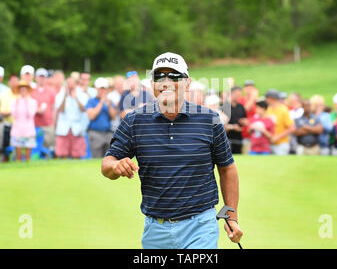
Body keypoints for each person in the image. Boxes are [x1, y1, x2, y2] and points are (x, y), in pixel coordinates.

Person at [102, 52, 242, 249]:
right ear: (152, 84)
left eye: (174, 77)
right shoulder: (135, 121)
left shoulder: (209, 120)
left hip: (200, 226)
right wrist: (116, 165)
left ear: (188, 83)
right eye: (160, 76)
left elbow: (227, 169)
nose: (166, 82)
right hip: (155, 230)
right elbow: (107, 164)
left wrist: (231, 216)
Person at [54, 76, 89, 159]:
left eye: (72, 84)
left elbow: (84, 109)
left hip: (77, 128)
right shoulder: (60, 95)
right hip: (63, 128)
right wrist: (65, 97)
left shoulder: (82, 95)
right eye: (68, 84)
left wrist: (76, 98)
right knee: (63, 154)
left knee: (77, 154)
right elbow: (61, 110)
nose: (70, 86)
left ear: (76, 84)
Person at [85, 78, 116, 158]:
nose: (103, 91)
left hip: (108, 133)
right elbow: (91, 116)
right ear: (96, 89)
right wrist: (101, 102)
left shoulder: (109, 101)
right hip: (95, 133)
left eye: (104, 89)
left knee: (108, 158)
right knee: (96, 159)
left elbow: (113, 117)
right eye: (101, 89)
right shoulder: (91, 101)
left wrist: (109, 105)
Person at [10, 81, 38, 161]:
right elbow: (14, 115)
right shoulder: (14, 102)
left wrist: (26, 103)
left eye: (25, 90)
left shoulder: (32, 102)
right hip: (17, 129)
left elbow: (30, 115)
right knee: (18, 154)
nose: (23, 92)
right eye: (21, 90)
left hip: (28, 129)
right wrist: (18, 104)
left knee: (28, 155)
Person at [31, 68, 56, 153]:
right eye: (40, 77)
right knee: (35, 149)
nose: (41, 79)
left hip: (48, 125)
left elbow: (54, 108)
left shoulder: (51, 91)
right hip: (34, 125)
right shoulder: (31, 91)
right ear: (36, 78)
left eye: (43, 77)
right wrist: (37, 110)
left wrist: (53, 123)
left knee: (47, 148)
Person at [265, 89, 295, 155]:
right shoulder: (268, 109)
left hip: (281, 144)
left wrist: (277, 137)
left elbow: (291, 128)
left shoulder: (283, 110)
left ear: (271, 98)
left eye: (267, 97)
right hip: (270, 143)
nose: (266, 99)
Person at [0, 74, 20, 161]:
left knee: (19, 147)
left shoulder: (22, 94)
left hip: (20, 126)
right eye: (13, 82)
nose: (14, 84)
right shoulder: (4, 95)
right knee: (5, 149)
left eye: (16, 82)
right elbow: (2, 112)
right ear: (9, 83)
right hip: (8, 125)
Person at [225, 86, 247, 154]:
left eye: (240, 95)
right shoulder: (224, 106)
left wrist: (244, 122)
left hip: (238, 138)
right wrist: (233, 127)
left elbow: (245, 119)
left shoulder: (241, 107)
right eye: (237, 95)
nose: (238, 97)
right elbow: (221, 124)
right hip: (227, 138)